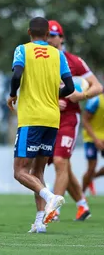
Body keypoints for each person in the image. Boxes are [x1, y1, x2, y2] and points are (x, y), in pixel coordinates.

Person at [7, 17, 75, 233]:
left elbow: (17, 73)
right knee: (37, 171)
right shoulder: (58, 54)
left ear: (29, 32)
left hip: (31, 119)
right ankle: (40, 221)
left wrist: (12, 94)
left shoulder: (22, 50)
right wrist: (55, 95)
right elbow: (70, 87)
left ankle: (50, 196)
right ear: (47, 35)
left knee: (19, 172)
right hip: (52, 119)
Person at [47, 20, 103, 221]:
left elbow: (97, 86)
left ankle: (54, 209)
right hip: (46, 117)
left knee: (61, 161)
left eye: (53, 35)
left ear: (61, 38)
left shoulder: (74, 61)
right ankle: (82, 205)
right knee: (64, 166)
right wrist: (53, 101)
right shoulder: (41, 62)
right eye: (47, 35)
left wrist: (81, 96)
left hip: (69, 118)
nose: (50, 39)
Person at [81, 91, 104, 194]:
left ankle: (91, 178)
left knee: (91, 173)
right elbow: (85, 120)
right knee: (92, 167)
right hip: (91, 138)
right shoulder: (96, 100)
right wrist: (96, 139)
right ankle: (81, 194)